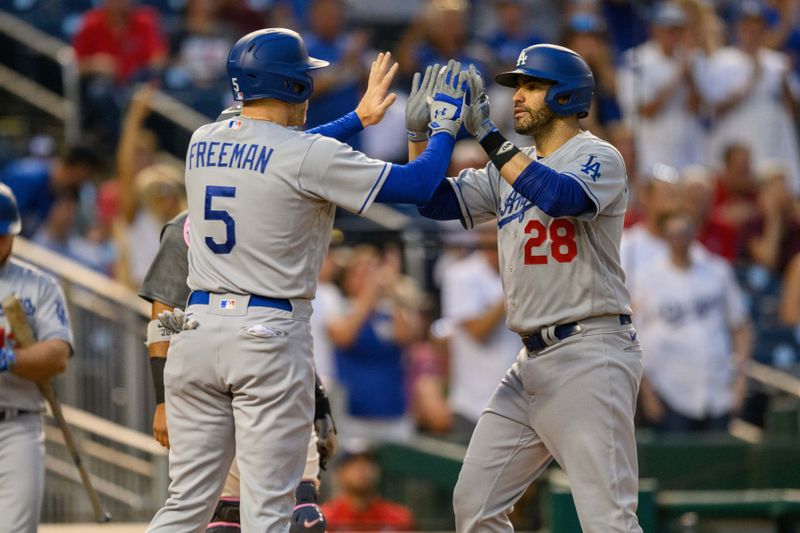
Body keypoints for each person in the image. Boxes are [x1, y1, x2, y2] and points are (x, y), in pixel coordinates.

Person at [146, 28, 467, 532]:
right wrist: (445, 127)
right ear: (294, 86)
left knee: (185, 507)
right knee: (269, 512)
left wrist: (357, 119)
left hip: (196, 334)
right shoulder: (305, 155)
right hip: (266, 336)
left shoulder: (202, 139)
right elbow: (420, 183)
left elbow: (281, 153)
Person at [413, 44, 643, 532]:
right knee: (475, 506)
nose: (518, 97)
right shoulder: (510, 167)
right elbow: (430, 201)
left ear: (566, 96)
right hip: (529, 364)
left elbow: (560, 197)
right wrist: (423, 136)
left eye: (532, 86)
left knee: (607, 520)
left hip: (589, 350)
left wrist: (488, 136)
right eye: (518, 86)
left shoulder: (598, 154)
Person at [633, 209, 752, 432]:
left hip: (718, 391)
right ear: (665, 237)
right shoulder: (647, 278)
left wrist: (740, 381)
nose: (680, 240)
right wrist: (646, 392)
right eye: (674, 234)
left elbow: (741, 327)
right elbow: (634, 335)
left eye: (685, 233)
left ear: (694, 233)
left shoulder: (717, 271)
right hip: (670, 391)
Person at [0, 184, 74, 532]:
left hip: (17, 422)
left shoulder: (39, 285)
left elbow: (58, 355)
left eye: (4, 235)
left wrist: (9, 358)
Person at [440, 222, 519, 443]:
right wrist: (514, 288)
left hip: (517, 402)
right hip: (472, 404)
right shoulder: (461, 275)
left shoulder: (521, 273)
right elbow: (477, 331)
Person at [321, 442, 415, 531]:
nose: (363, 469)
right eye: (354, 463)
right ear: (340, 472)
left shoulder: (398, 518)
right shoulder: (325, 518)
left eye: (368, 463)